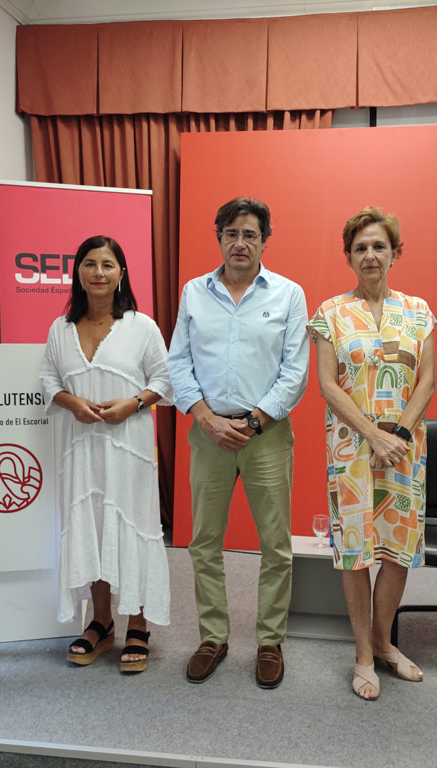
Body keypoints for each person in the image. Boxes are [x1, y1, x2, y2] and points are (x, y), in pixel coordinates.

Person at [167, 197, 308, 689]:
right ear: (219, 237)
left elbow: (295, 371)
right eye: (231, 233)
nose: (240, 242)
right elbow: (178, 363)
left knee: (276, 545)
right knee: (204, 541)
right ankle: (213, 637)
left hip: (265, 435)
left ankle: (270, 641)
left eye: (250, 234)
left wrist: (252, 420)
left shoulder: (289, 295)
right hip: (208, 433)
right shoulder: (194, 293)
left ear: (265, 239)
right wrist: (204, 416)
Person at [307, 207, 436, 701]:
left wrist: (397, 434)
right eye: (360, 247)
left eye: (379, 246)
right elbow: (327, 385)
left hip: (405, 448)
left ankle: (385, 642)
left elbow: (425, 380)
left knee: (398, 551)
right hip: (351, 450)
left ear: (395, 253)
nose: (370, 255)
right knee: (357, 552)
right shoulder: (330, 313)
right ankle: (363, 654)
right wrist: (372, 435)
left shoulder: (419, 312)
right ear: (349, 256)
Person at [39, 236, 172, 672]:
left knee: (132, 526)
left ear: (122, 274)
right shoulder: (60, 329)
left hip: (129, 448)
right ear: (77, 272)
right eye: (90, 264)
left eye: (108, 264)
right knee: (92, 525)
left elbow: (166, 381)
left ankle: (138, 623)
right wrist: (71, 402)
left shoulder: (142, 326)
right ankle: (100, 622)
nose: (99, 272)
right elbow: (46, 379)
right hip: (81, 449)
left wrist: (132, 404)